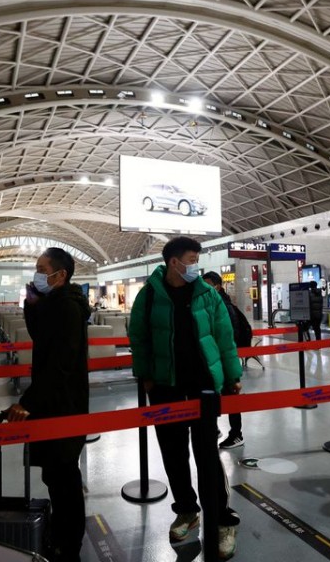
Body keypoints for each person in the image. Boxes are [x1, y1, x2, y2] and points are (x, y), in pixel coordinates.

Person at [129, 237, 242, 561]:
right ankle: (187, 510)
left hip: (204, 388)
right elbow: (139, 337)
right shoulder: (150, 296)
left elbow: (224, 337)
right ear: (173, 262)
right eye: (191, 259)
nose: (195, 265)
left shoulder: (208, 295)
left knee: (206, 453)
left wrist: (232, 377)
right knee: (173, 453)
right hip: (166, 387)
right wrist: (147, 376)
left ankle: (221, 519)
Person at [5, 247, 90, 562]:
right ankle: (62, 533)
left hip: (63, 404)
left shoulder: (67, 308)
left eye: (42, 269)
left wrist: (28, 402)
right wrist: (31, 306)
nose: (37, 274)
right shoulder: (55, 304)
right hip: (53, 401)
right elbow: (41, 337)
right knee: (56, 475)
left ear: (60, 275)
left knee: (64, 475)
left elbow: (61, 363)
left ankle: (70, 546)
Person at [202, 271, 251, 450]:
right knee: (212, 395)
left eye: (208, 284)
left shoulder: (224, 305)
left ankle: (236, 434)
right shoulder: (210, 302)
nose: (205, 287)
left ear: (217, 285)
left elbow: (230, 337)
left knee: (230, 397)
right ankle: (213, 429)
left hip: (224, 360)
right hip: (213, 361)